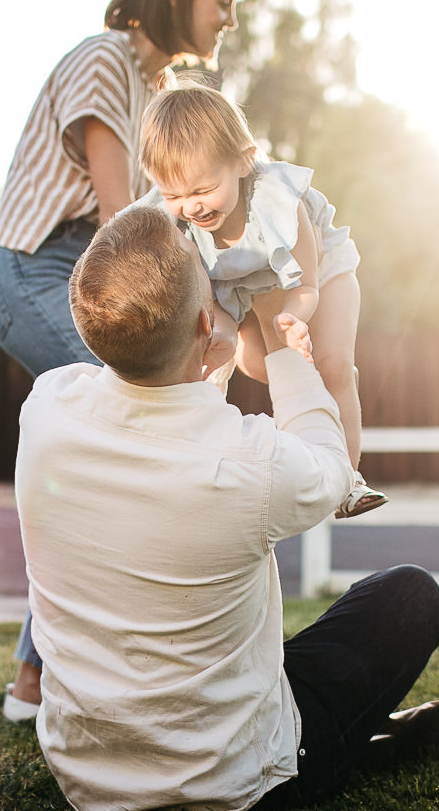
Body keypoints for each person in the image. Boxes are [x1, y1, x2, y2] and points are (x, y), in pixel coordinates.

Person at [17, 205, 439, 811]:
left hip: (90, 775)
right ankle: (372, 744)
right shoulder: (252, 463)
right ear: (205, 321)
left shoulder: (47, 406)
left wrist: (207, 347)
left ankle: (375, 735)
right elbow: (333, 465)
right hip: (233, 777)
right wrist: (278, 339)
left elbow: (171, 405)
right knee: (411, 596)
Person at [0, 0, 243, 722]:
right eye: (222, 1)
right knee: (129, 433)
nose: (229, 19)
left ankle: (38, 680)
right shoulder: (104, 60)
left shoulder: (157, 89)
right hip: (37, 273)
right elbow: (120, 222)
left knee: (120, 446)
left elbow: (170, 216)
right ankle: (38, 681)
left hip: (86, 269)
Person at [135, 81, 386, 520]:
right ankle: (322, 392)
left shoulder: (277, 203)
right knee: (258, 365)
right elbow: (207, 293)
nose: (191, 206)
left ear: (243, 160)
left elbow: (306, 287)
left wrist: (293, 318)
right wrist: (223, 333)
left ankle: (348, 480)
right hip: (248, 289)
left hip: (320, 273)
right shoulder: (179, 223)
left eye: (203, 190)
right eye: (174, 196)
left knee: (331, 366)